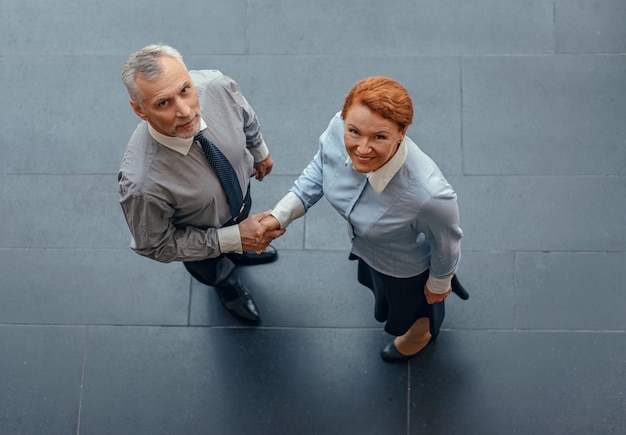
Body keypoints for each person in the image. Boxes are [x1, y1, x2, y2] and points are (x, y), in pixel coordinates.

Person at [259, 76, 467, 362]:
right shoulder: (338, 126)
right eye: (354, 132)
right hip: (369, 249)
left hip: (405, 269)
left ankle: (422, 332)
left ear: (402, 132)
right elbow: (322, 166)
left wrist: (439, 283)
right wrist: (280, 215)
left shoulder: (430, 196)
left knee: (413, 308)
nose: (362, 148)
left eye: (379, 137)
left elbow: (447, 245)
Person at [118, 44, 285, 325]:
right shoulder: (141, 185)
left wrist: (260, 152)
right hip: (203, 238)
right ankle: (229, 288)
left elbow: (246, 117)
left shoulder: (216, 86)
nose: (185, 111)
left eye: (185, 90)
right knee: (215, 270)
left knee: (242, 231)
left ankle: (242, 253)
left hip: (239, 199)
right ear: (140, 110)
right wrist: (231, 239)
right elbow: (154, 245)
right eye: (163, 103)